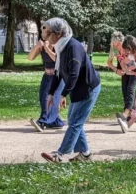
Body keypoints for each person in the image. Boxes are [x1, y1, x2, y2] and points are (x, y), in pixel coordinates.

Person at [40, 18, 101, 163]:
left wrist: (63, 94)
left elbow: (74, 74)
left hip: (88, 88)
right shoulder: (61, 46)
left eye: (48, 33)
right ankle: (85, 154)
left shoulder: (73, 47)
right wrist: (51, 93)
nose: (46, 36)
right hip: (78, 88)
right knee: (74, 120)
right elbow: (58, 73)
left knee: (75, 122)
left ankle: (60, 155)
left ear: (59, 33)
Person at [28, 34, 66, 132]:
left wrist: (48, 49)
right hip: (46, 76)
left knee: (49, 99)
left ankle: (42, 121)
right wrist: (37, 47)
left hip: (57, 77)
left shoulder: (58, 46)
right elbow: (30, 58)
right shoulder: (42, 47)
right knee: (42, 98)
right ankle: (55, 122)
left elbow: (57, 59)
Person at [107, 32, 136, 122]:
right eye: (114, 45)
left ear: (123, 42)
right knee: (125, 91)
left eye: (118, 44)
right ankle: (133, 115)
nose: (116, 47)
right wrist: (116, 70)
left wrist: (129, 69)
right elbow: (109, 63)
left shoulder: (128, 48)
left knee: (130, 89)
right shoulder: (115, 50)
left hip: (135, 70)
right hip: (125, 71)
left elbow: (135, 62)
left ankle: (125, 113)